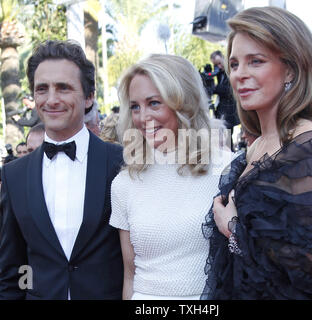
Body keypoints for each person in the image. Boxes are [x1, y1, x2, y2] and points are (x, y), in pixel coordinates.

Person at [202, 6, 312, 300]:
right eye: (234, 65)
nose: (239, 75)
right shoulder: (258, 143)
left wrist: (233, 231)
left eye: (255, 61)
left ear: (291, 69)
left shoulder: (310, 142)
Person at [0, 39, 124, 300]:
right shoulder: (14, 176)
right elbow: (13, 268)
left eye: (64, 88)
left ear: (89, 97)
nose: (51, 99)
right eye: (42, 89)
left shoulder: (120, 163)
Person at [109, 54, 232, 300]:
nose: (143, 117)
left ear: (184, 102)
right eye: (135, 106)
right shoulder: (124, 183)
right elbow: (130, 275)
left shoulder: (226, 169)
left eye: (154, 103)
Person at [210, 50, 240, 151]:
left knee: (227, 139)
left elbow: (229, 90)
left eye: (219, 63)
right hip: (223, 110)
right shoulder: (220, 73)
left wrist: (214, 89)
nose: (218, 66)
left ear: (224, 59)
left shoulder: (232, 71)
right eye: (215, 65)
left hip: (231, 110)